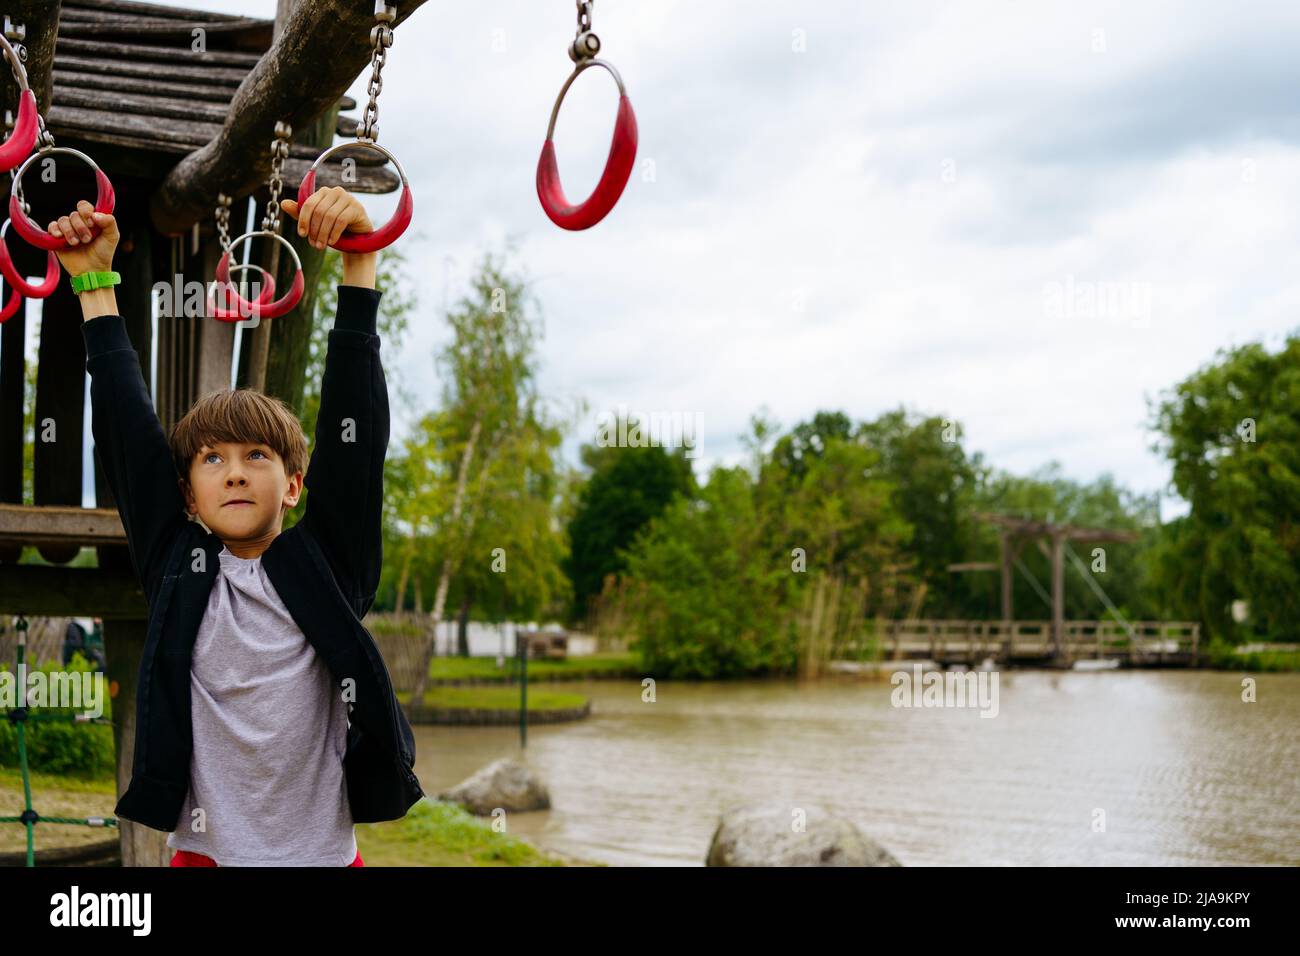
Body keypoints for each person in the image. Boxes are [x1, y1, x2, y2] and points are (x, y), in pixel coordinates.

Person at [55, 186, 423, 866]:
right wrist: (95, 283)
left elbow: (355, 445)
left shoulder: (327, 569)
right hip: (206, 857)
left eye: (257, 455)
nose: (233, 472)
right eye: (211, 459)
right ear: (188, 497)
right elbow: (130, 438)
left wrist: (359, 266)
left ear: (293, 485)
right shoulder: (179, 569)